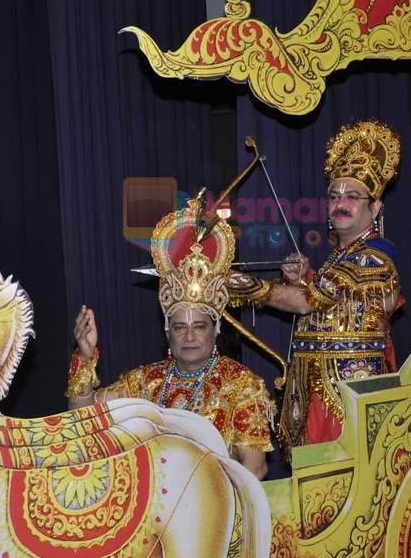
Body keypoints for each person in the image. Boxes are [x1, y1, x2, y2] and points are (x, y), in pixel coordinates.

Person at [66, 199, 274, 479]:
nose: (189, 336)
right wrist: (85, 355)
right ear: (167, 331)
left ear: (216, 330)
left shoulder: (242, 386)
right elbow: (83, 418)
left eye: (199, 326)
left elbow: (255, 469)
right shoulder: (144, 382)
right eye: (179, 327)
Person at [228, 120, 402, 453]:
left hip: (349, 396)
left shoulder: (376, 256)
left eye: (353, 196)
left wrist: (239, 284)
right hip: (319, 395)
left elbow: (310, 302)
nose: (341, 202)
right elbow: (330, 303)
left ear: (375, 207)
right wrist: (302, 280)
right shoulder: (342, 256)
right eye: (334, 195)